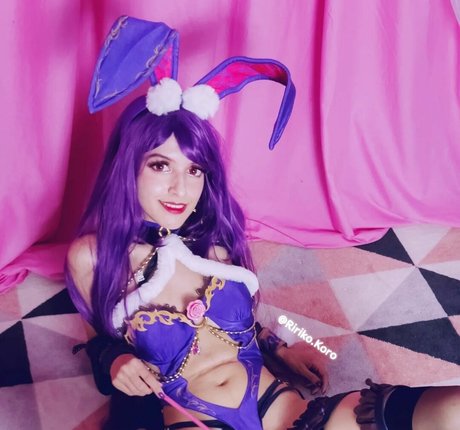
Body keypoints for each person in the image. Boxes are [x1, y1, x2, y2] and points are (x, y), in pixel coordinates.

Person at [66, 16, 460, 430]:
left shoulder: (214, 243)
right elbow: (99, 345)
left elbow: (246, 321)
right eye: (161, 165)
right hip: (193, 416)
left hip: (278, 405)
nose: (180, 188)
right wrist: (115, 360)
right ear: (128, 167)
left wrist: (284, 346)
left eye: (195, 170)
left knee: (450, 411)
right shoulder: (94, 256)